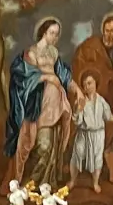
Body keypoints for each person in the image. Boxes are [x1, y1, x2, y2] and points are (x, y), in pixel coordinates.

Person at [6, 17, 80, 189]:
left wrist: (78, 91)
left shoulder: (54, 53)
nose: (55, 38)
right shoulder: (31, 53)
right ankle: (30, 183)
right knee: (44, 146)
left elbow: (65, 76)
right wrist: (47, 77)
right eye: (52, 33)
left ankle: (44, 184)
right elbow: (23, 78)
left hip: (57, 105)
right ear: (44, 33)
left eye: (57, 35)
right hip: (39, 105)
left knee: (53, 144)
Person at [70, 11, 113, 187]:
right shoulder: (89, 47)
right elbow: (85, 71)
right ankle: (74, 173)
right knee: (83, 134)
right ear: (103, 29)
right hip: (89, 97)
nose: (110, 35)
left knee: (109, 132)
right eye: (107, 30)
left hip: (109, 98)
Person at [68, 73, 113, 193]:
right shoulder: (80, 101)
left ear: (95, 84)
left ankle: (95, 183)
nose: (88, 87)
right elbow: (77, 121)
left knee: (97, 159)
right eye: (85, 84)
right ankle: (73, 180)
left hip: (98, 134)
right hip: (84, 133)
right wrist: (78, 110)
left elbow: (107, 115)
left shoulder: (101, 101)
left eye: (90, 83)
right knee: (77, 155)